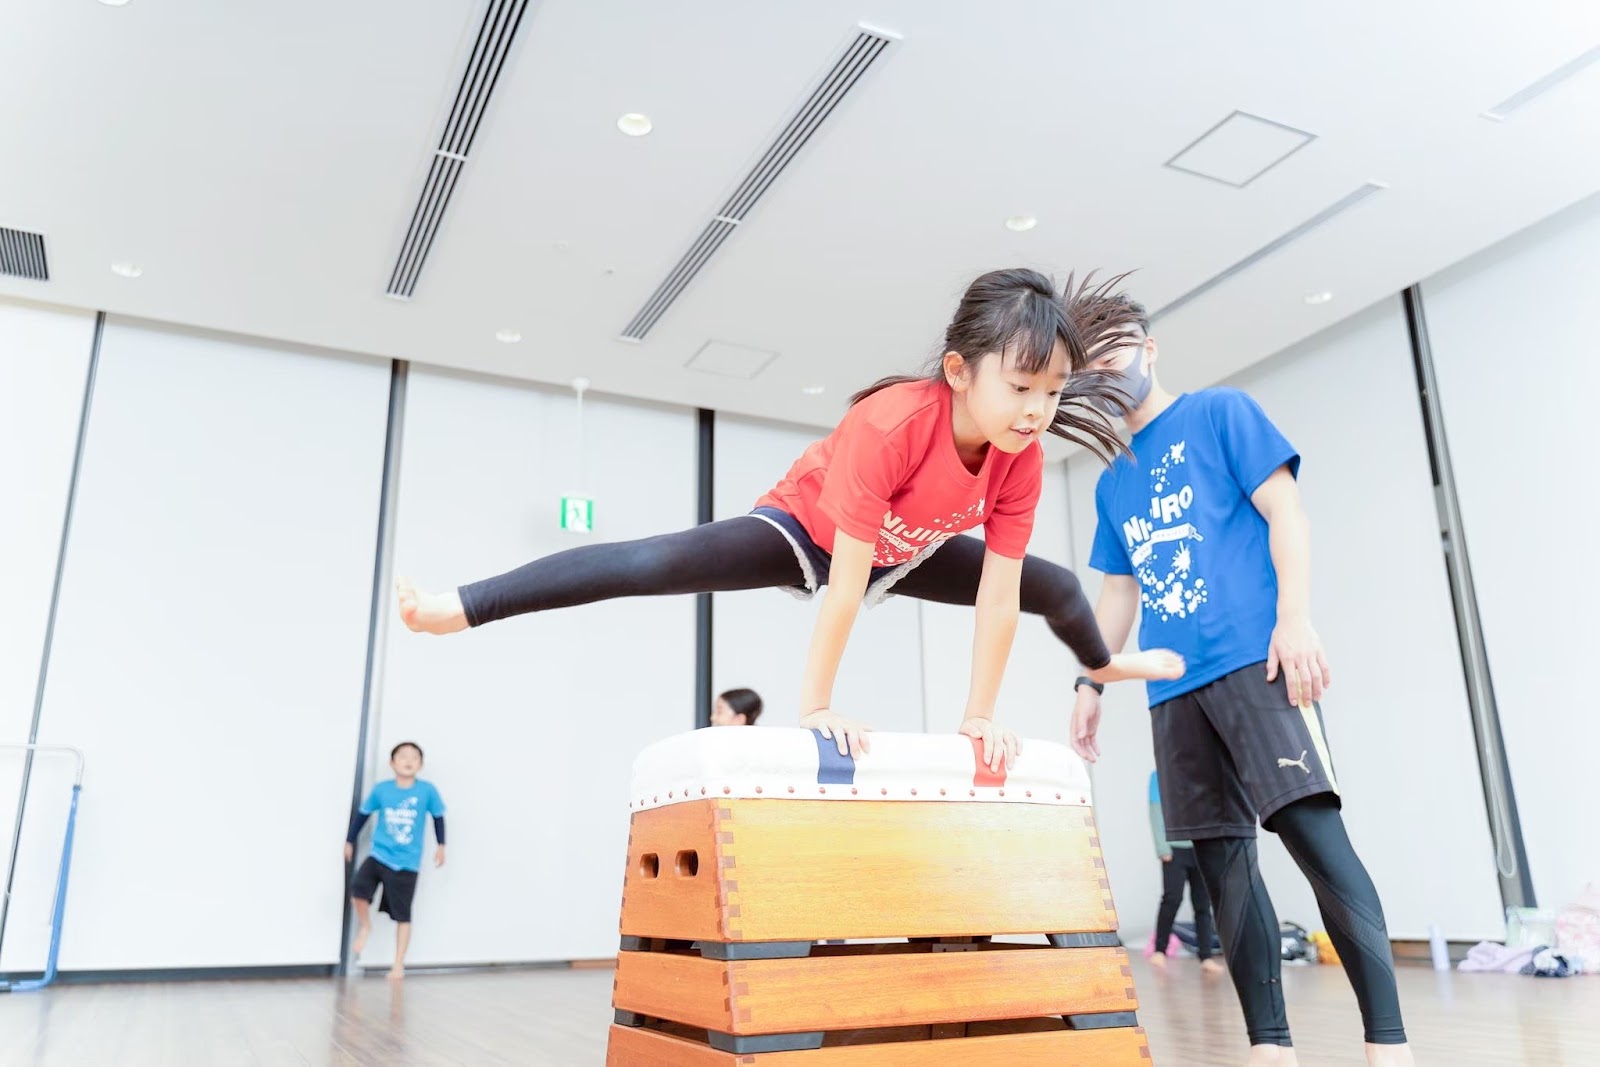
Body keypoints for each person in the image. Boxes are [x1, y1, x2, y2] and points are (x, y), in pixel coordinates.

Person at [397, 269, 1183, 771]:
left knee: (1053, 584)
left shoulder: (1023, 454)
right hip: (809, 530)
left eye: (1052, 392)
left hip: (905, 550)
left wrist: (978, 716)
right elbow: (842, 588)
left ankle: (1103, 664)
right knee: (654, 564)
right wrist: (815, 706)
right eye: (1021, 388)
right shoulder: (889, 425)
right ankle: (458, 607)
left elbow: (1001, 595)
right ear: (958, 371)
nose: (1038, 411)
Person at [1069, 295, 1413, 1067]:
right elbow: (1119, 592)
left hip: (1255, 662)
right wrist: (1091, 682)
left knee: (1316, 840)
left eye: (1115, 351)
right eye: (1088, 365)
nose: (1106, 370)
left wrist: (1295, 618)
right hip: (1170, 687)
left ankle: (1387, 1043)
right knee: (1225, 866)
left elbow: (1286, 511)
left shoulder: (1222, 413)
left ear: (1148, 350)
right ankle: (1270, 1046)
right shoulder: (1112, 482)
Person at [345, 741, 447, 981]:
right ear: (392, 763)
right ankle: (365, 925)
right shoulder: (382, 790)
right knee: (358, 891)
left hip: (407, 862)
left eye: (414, 757)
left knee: (403, 914)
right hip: (379, 855)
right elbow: (362, 815)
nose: (408, 761)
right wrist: (349, 840)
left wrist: (442, 845)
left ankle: (398, 964)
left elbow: (439, 817)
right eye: (403, 756)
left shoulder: (427, 791)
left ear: (420, 764)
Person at [1149, 769, 1222, 974]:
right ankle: (1159, 951)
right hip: (1173, 850)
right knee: (1172, 898)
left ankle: (1206, 956)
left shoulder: (1200, 774)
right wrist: (1162, 847)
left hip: (1199, 849)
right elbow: (1155, 812)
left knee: (1203, 904)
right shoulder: (1158, 776)